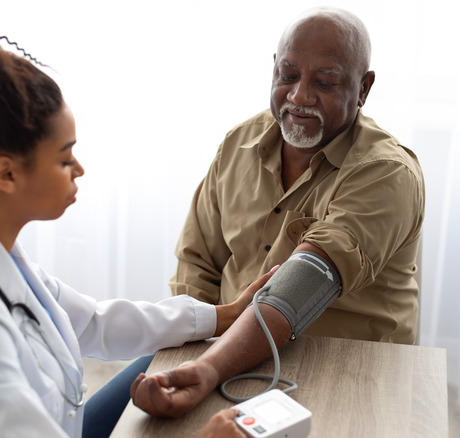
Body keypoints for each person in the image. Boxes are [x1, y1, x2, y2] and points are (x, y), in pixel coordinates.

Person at [0, 28, 276, 438]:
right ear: (7, 173)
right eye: (64, 157)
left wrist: (224, 315)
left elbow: (93, 323)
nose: (80, 169)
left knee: (166, 362)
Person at [130, 6, 425, 420]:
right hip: (217, 347)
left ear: (363, 89)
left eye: (324, 81)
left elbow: (304, 283)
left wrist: (208, 368)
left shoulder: (386, 172)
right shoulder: (240, 142)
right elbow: (197, 262)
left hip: (343, 370)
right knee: (99, 424)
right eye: (287, 75)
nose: (299, 95)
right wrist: (191, 350)